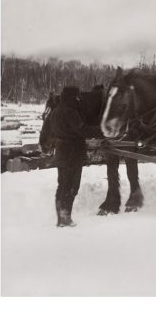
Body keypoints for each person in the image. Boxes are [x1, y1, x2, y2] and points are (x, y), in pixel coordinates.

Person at [48, 86, 103, 227]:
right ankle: (66, 217)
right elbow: (82, 130)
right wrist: (102, 130)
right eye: (77, 97)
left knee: (62, 185)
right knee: (72, 186)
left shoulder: (55, 112)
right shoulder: (71, 112)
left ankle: (60, 218)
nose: (79, 99)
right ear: (72, 97)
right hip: (73, 153)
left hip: (61, 152)